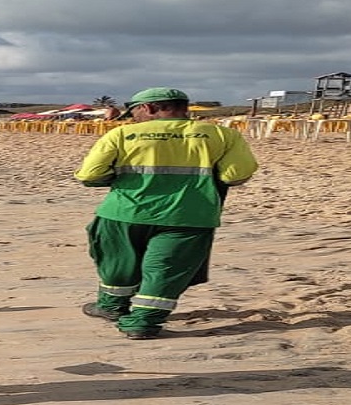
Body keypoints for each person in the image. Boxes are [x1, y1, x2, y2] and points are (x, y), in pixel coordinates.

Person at [75, 87, 258, 340]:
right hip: (190, 215)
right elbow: (236, 175)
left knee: (117, 263)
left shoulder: (122, 134)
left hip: (123, 212)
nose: (131, 117)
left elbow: (89, 175)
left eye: (133, 111)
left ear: (147, 108)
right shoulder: (222, 135)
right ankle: (143, 322)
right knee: (166, 270)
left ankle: (111, 306)